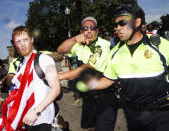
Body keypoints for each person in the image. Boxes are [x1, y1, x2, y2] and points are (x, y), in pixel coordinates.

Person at [86, 3, 169, 131]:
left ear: (137, 22)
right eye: (115, 25)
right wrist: (86, 84)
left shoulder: (159, 45)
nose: (117, 28)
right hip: (132, 115)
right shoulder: (114, 52)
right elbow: (109, 79)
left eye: (122, 23)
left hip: (162, 114)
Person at [0, 26, 60, 131]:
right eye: (18, 41)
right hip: (26, 118)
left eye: (25, 40)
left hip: (41, 119)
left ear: (31, 40)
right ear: (15, 45)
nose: (23, 44)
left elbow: (56, 89)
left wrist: (36, 112)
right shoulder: (20, 64)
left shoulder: (43, 59)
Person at [58, 16, 118, 131]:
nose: (89, 31)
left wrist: (59, 76)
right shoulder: (79, 44)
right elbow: (61, 49)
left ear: (97, 31)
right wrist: (75, 39)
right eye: (85, 28)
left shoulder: (103, 44)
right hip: (89, 95)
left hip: (105, 96)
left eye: (92, 28)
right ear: (81, 31)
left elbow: (87, 68)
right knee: (92, 126)